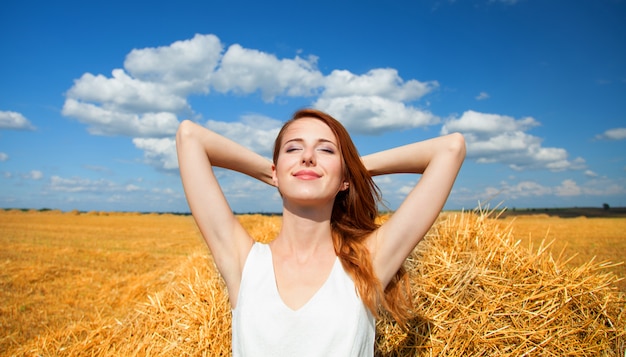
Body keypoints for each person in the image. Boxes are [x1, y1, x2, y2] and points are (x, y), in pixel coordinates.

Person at [176, 108, 465, 356]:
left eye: (326, 150)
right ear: (275, 170)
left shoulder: (368, 263)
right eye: (293, 148)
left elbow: (450, 148)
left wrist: (349, 170)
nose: (308, 157)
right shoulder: (244, 263)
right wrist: (280, 173)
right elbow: (190, 137)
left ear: (344, 180)